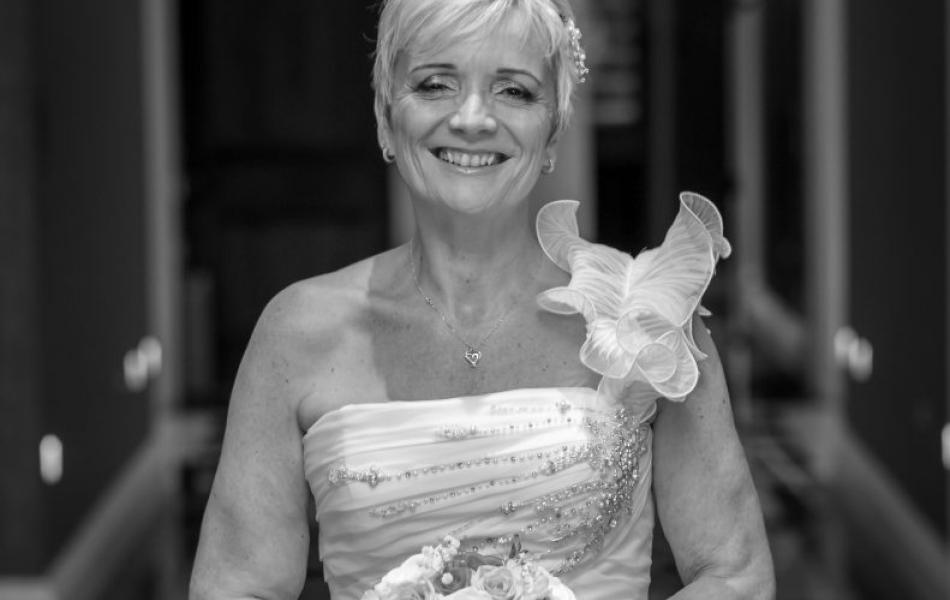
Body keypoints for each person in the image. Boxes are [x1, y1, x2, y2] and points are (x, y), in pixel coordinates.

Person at [189, 0, 775, 598]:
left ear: (554, 130)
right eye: (435, 84)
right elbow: (237, 586)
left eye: (514, 91)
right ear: (385, 118)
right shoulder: (296, 334)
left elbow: (737, 575)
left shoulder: (645, 318)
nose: (472, 118)